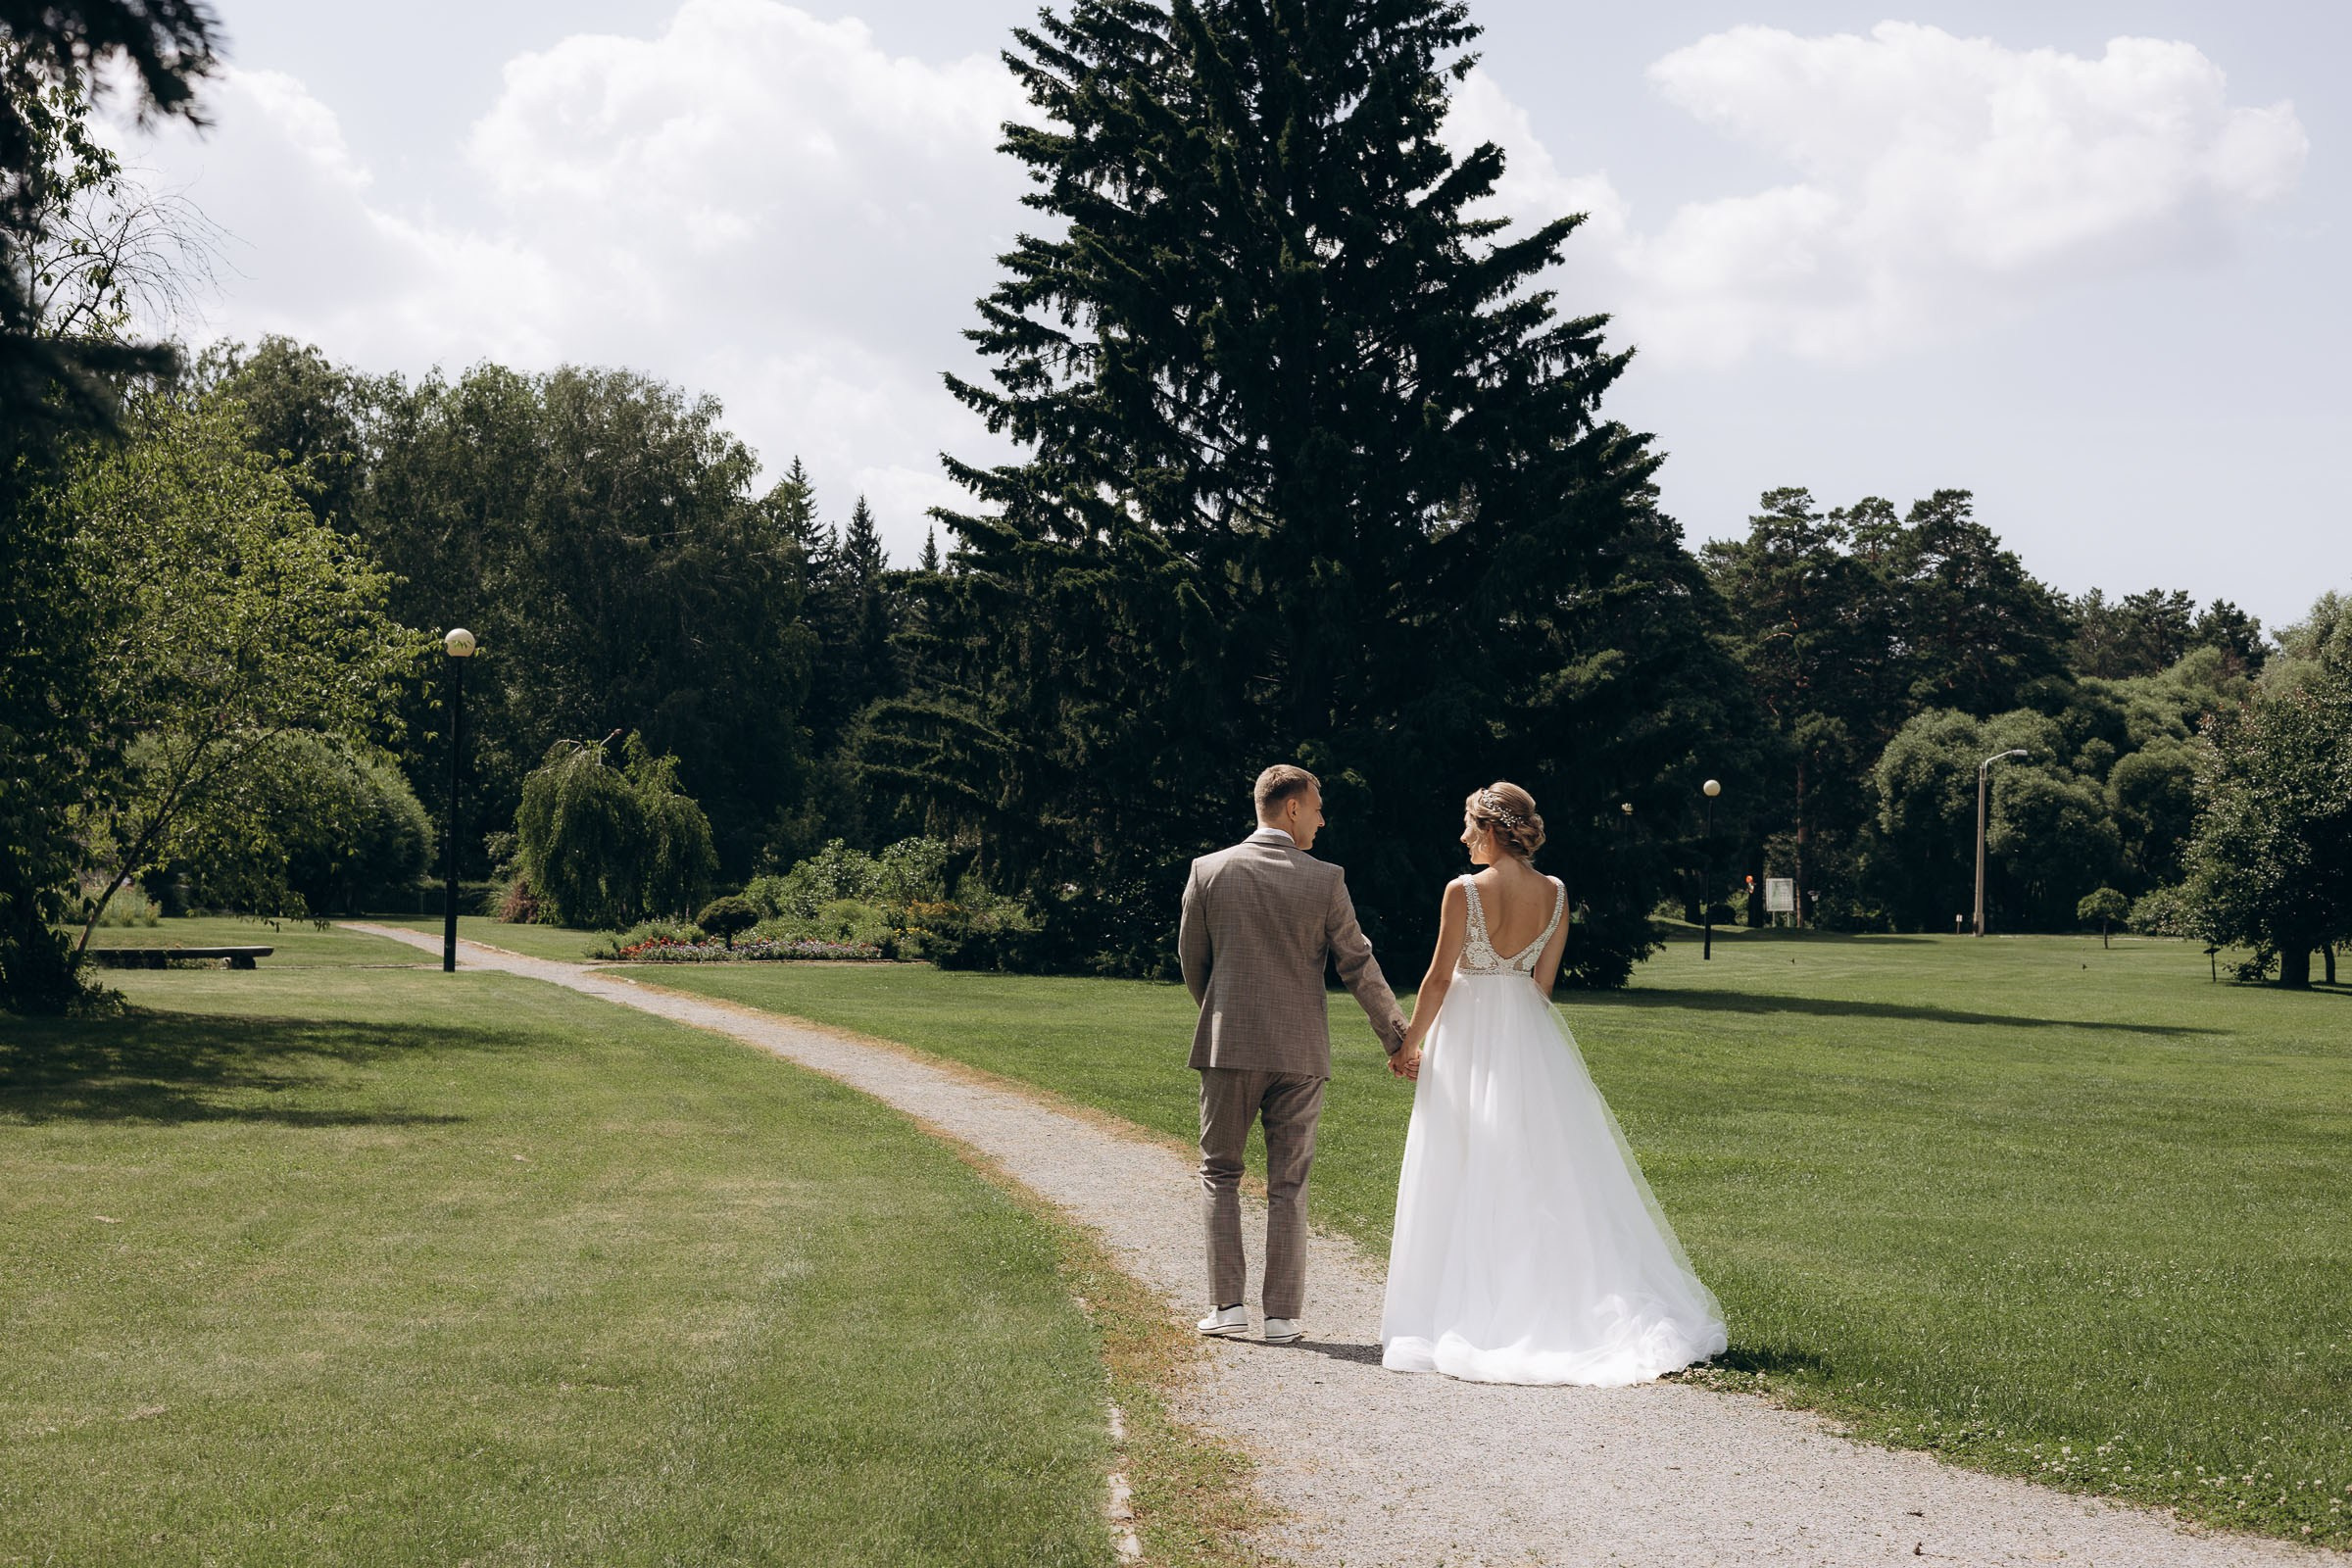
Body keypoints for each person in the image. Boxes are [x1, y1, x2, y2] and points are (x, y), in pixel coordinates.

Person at [1380, 781, 1727, 1385]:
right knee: (1535, 1165)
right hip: (1525, 1035)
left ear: (1490, 828)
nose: (1463, 838)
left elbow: (1438, 979)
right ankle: (1539, 1292)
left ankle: (1464, 1305)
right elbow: (1542, 985)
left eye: (1468, 826)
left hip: (1467, 1034)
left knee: (1459, 1157)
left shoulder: (1463, 891)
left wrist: (1411, 1044)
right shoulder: (1557, 893)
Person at [1180, 763, 1410, 1345]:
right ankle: (1282, 1317)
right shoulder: (1326, 879)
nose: (1322, 818)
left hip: (1229, 1044)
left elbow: (1193, 962)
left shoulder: (1209, 871)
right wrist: (1398, 1037)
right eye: (1317, 806)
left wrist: (1224, 1011)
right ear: (1291, 809)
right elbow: (1357, 963)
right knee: (1288, 1183)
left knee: (1220, 1173)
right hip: (1302, 1051)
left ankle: (1226, 1308)